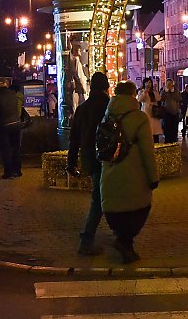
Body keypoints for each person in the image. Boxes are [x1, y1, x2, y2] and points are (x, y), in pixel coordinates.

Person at [100, 81, 159, 264]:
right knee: (139, 210)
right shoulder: (139, 118)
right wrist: (153, 177)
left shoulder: (107, 116)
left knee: (117, 213)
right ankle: (123, 243)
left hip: (109, 173)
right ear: (133, 95)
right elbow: (147, 151)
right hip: (135, 176)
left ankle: (126, 248)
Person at [67, 72, 110, 256]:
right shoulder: (108, 107)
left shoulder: (83, 109)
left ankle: (117, 237)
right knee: (101, 200)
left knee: (99, 198)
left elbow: (74, 139)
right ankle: (87, 239)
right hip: (110, 159)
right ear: (106, 86)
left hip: (90, 158)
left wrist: (71, 162)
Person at [0, 78, 22, 179]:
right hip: (16, 124)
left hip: (2, 127)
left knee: (5, 150)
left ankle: (8, 172)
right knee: (16, 148)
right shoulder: (13, 95)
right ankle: (17, 170)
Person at [137, 77, 163, 143]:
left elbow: (158, 99)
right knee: (148, 129)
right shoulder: (141, 91)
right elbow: (139, 100)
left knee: (155, 130)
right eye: (147, 82)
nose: (148, 84)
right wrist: (145, 92)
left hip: (154, 112)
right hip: (146, 111)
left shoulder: (154, 91)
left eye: (150, 82)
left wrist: (155, 92)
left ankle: (156, 143)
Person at [160, 79, 181, 143]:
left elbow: (179, 99)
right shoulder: (163, 91)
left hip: (175, 112)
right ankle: (167, 140)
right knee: (167, 127)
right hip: (166, 112)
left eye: (170, 84)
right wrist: (166, 92)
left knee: (174, 127)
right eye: (168, 84)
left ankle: (174, 140)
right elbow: (161, 98)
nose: (169, 85)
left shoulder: (176, 91)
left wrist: (173, 92)